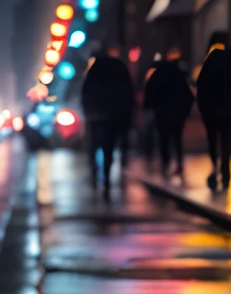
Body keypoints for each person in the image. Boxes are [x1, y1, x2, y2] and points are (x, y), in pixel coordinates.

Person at [195, 29, 231, 191]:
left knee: (213, 139)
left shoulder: (210, 59)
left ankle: (215, 166)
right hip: (229, 107)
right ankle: (226, 171)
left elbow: (202, 85)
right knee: (226, 140)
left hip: (211, 109)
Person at [79, 44, 136, 193]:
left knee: (94, 145)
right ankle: (107, 176)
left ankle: (95, 173)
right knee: (109, 147)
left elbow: (85, 92)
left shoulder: (93, 70)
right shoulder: (118, 66)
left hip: (96, 115)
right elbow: (128, 91)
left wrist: (88, 111)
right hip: (114, 114)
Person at [141, 47, 194, 179]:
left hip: (162, 113)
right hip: (177, 112)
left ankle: (166, 164)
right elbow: (187, 94)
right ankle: (179, 163)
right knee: (177, 138)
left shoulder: (157, 74)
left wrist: (149, 107)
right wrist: (186, 110)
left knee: (163, 139)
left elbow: (150, 94)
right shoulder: (178, 74)